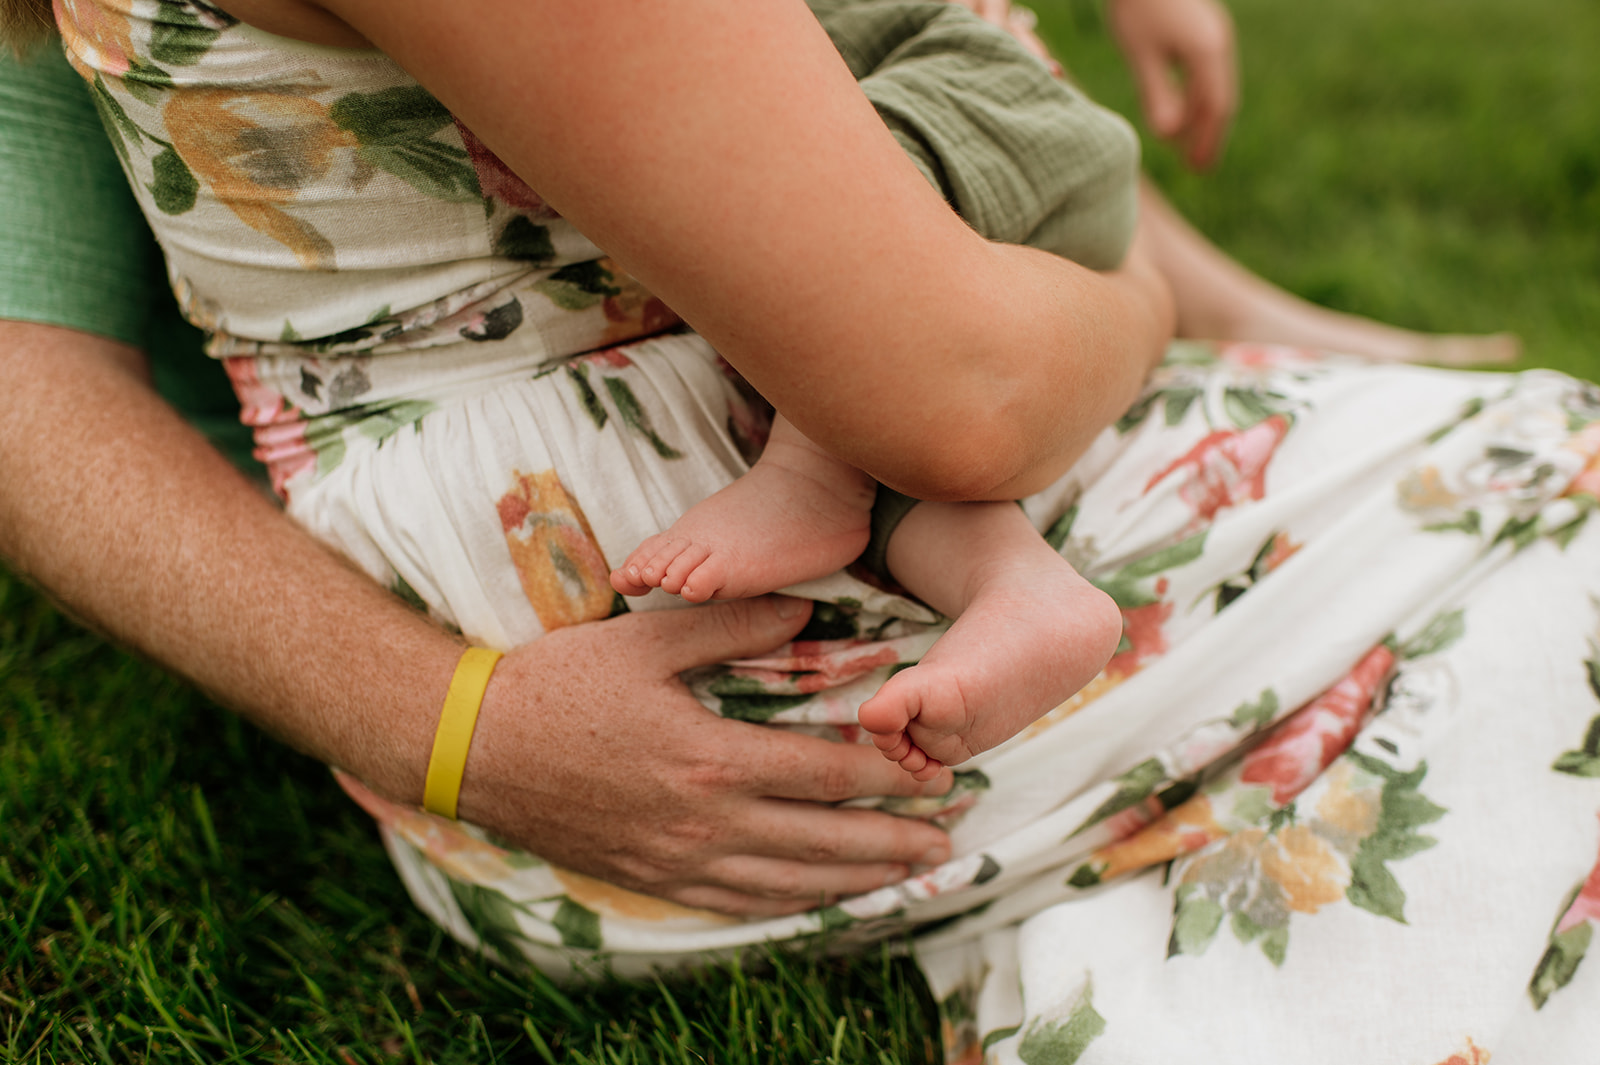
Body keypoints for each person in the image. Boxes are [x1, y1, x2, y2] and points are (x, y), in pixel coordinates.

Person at [6, 2, 1597, 1063]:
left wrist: (445, 727)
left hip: (524, 700)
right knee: (1568, 482)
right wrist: (1134, 293)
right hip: (730, 636)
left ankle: (1240, 370)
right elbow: (961, 397)